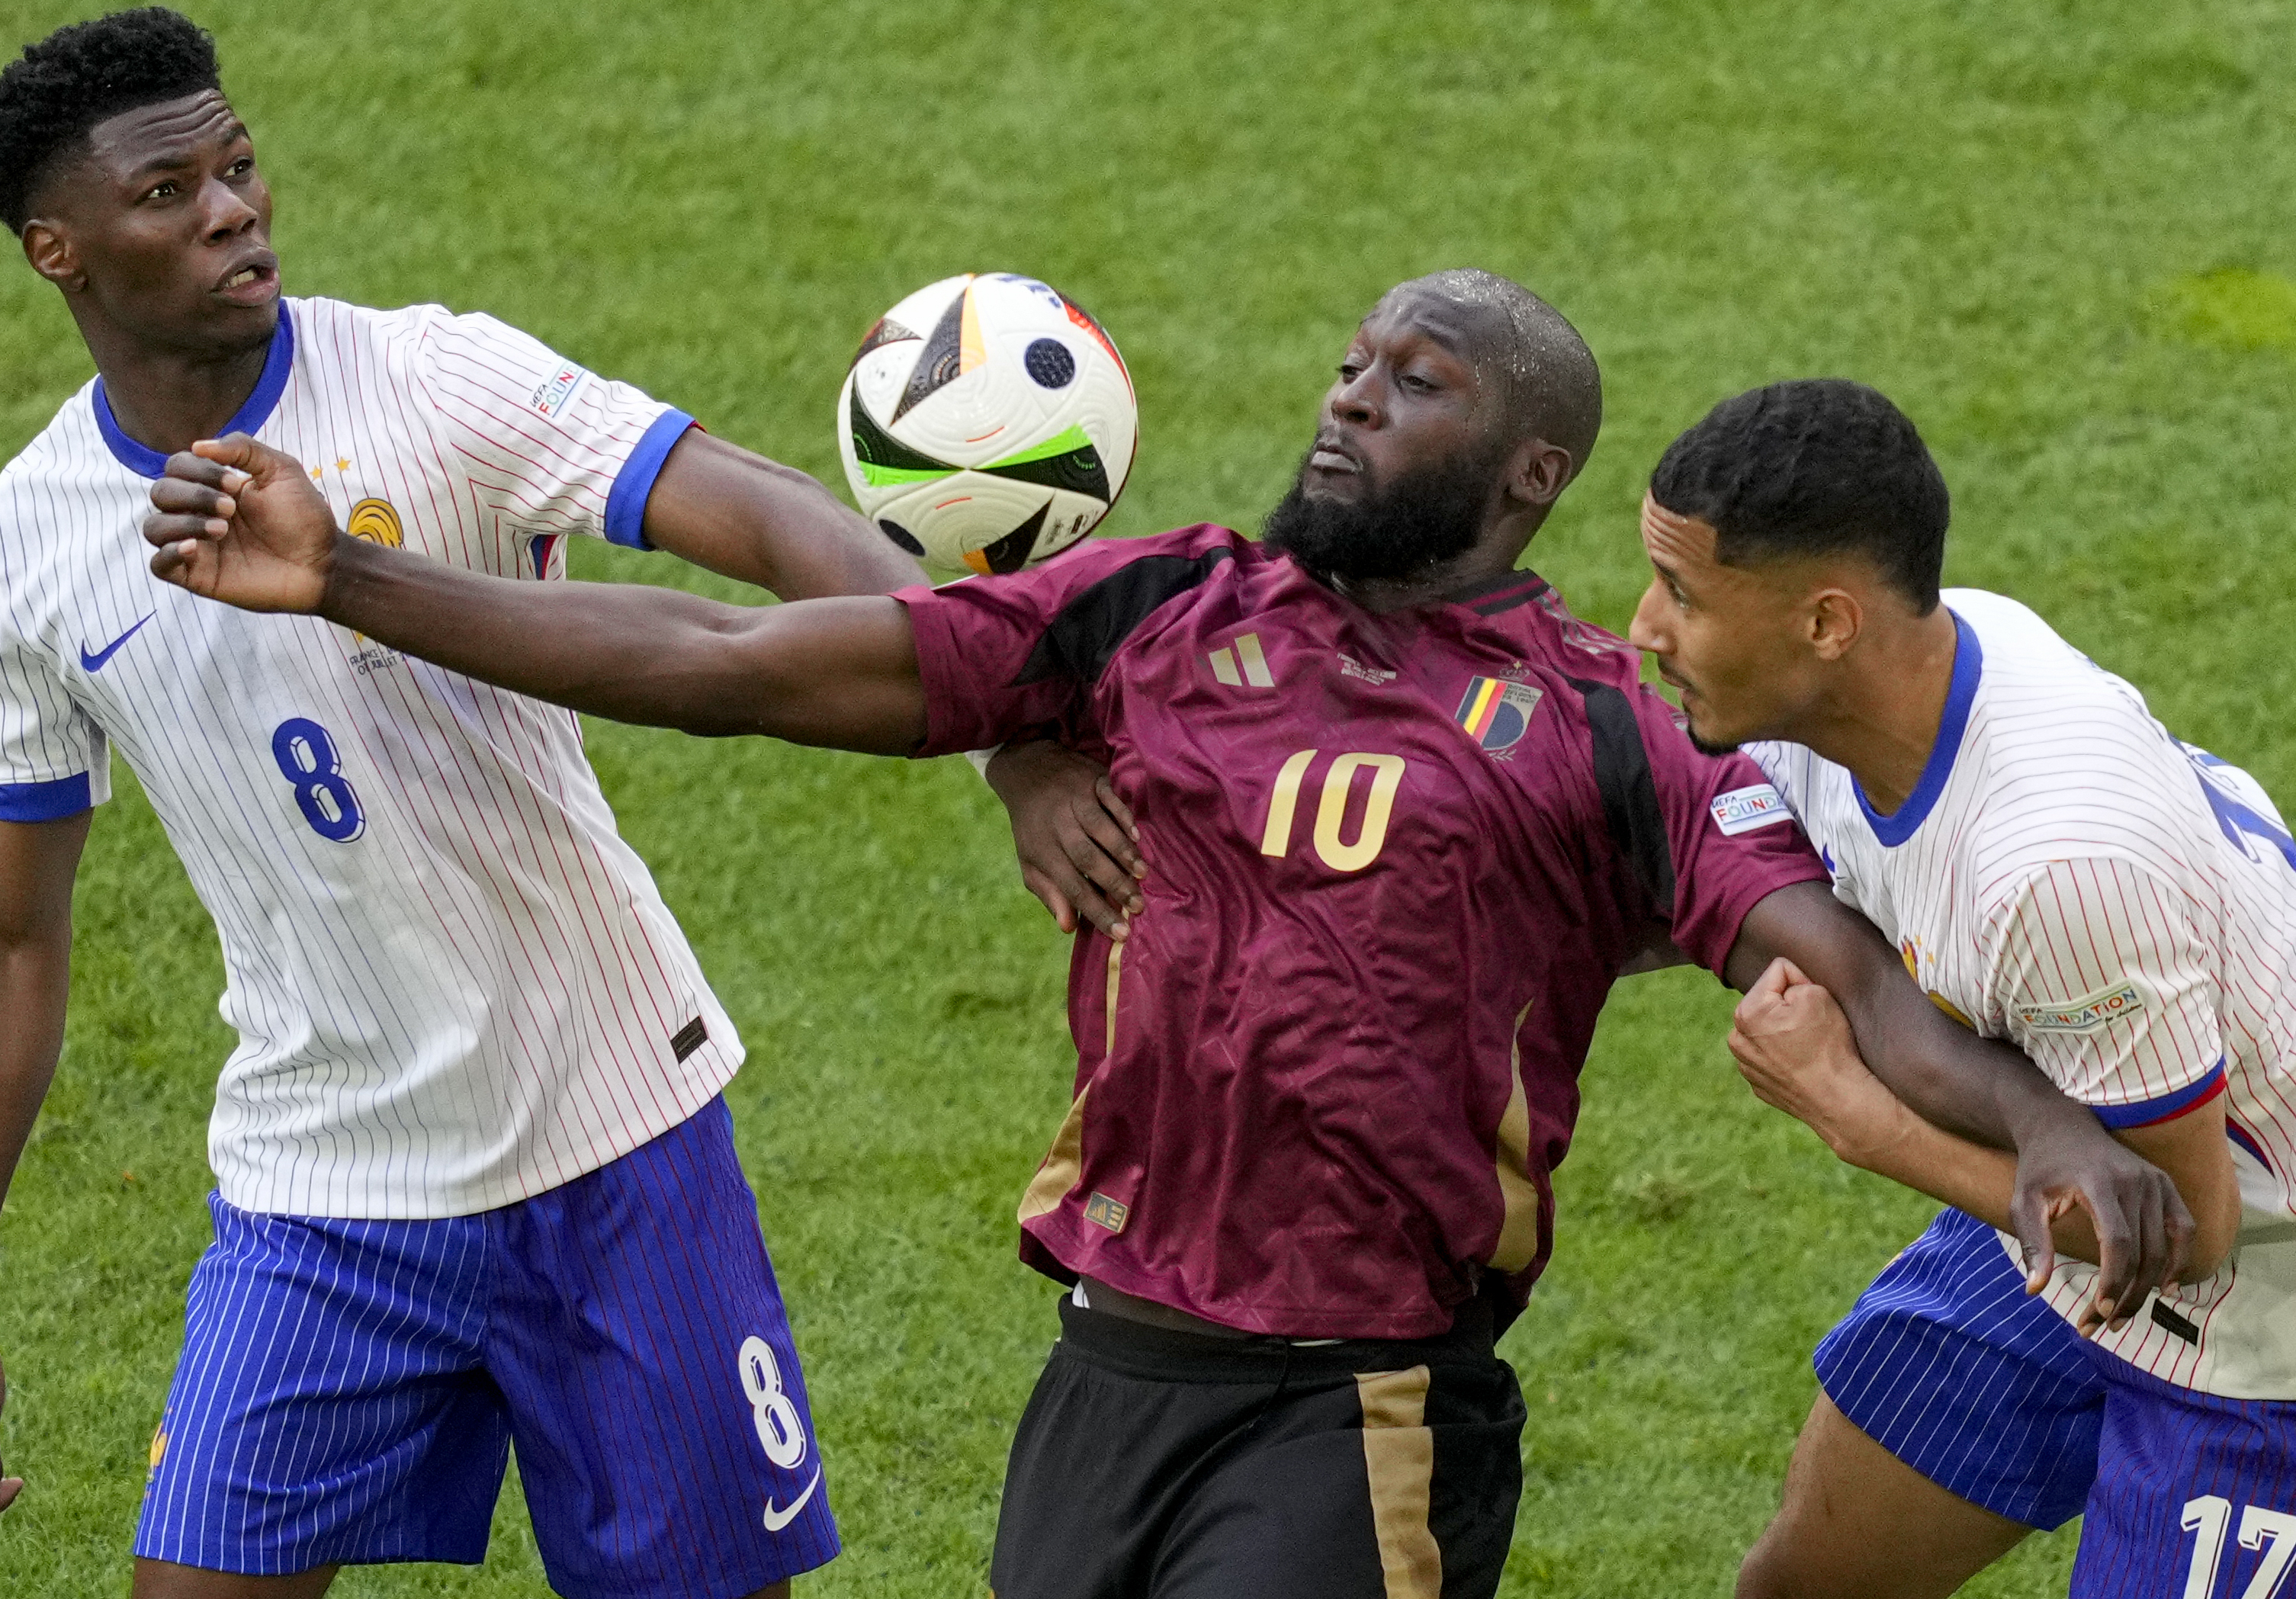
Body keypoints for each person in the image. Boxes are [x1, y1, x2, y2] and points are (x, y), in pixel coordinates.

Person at [141, 266, 2191, 1597]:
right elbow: (732, 650)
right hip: (1105, 1370)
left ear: (1527, 468)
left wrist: (2050, 1134)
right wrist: (359, 589)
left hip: (1362, 1399)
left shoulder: (1594, 729)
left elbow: (1835, 970)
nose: (1350, 395)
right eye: (1352, 360)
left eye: (1419, 381)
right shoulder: (1158, 610)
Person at [0, 11, 1112, 1597]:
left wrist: (1008, 736)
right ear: (57, 247)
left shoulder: (433, 376)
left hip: (618, 1129)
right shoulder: (25, 542)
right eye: (169, 191)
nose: (231, 209)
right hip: (320, 1183)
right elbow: (8, 930)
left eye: (241, 165)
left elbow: (765, 519)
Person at [1623, 378, 2296, 1599]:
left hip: (2263, 1316)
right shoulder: (1864, 692)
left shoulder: (2053, 866)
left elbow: (2189, 1236)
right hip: (2073, 1195)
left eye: (1682, 593)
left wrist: (1858, 1118)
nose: (1643, 626)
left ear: (1826, 622)